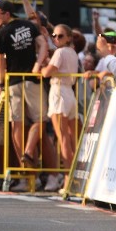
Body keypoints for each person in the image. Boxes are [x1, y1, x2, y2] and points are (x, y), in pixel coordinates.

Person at [0, 0, 61, 191]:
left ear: (7, 14)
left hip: (17, 81)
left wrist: (1, 83)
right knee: (32, 123)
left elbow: (0, 63)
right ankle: (28, 173)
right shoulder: (27, 27)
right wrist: (37, 64)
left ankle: (30, 166)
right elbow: (43, 46)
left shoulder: (5, 31)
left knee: (27, 124)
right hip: (28, 79)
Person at [41, 25, 79, 189]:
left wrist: (43, 66)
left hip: (59, 92)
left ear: (69, 37)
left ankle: (67, 180)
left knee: (64, 139)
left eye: (60, 36)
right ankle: (74, 179)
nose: (56, 38)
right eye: (54, 35)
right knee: (71, 139)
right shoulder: (72, 53)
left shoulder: (61, 52)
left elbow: (47, 72)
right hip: (69, 93)